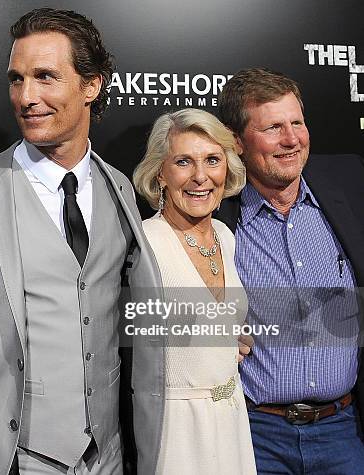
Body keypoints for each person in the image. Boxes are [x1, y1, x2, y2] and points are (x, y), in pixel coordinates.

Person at [0, 8, 164, 475]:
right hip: (12, 455)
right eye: (16, 80)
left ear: (91, 86)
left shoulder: (119, 187)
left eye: (45, 77)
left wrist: (219, 334)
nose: (26, 97)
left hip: (107, 455)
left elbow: (132, 306)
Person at [216, 67, 364, 474]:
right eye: (273, 127)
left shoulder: (350, 185)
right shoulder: (216, 218)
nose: (291, 139)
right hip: (256, 434)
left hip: (342, 431)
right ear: (237, 142)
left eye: (297, 123)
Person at [132, 108, 255, 474]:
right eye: (183, 162)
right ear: (161, 173)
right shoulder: (144, 243)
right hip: (174, 428)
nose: (201, 177)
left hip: (232, 415)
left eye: (212, 160)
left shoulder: (226, 237)